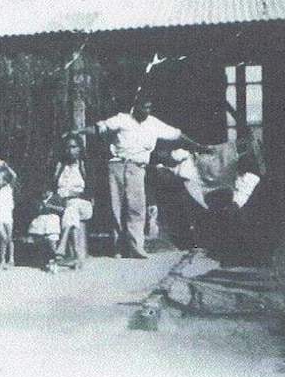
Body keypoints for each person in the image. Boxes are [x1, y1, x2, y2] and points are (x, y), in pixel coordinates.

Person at [72, 94, 209, 259]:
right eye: (144, 107)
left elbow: (177, 135)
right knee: (116, 207)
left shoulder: (154, 123)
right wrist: (78, 131)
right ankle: (118, 247)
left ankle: (136, 248)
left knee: (136, 208)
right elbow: (98, 128)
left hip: (137, 168)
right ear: (135, 107)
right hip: (116, 165)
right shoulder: (122, 119)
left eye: (149, 107)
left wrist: (198, 146)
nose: (146, 110)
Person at [48, 134, 94, 269]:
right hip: (64, 205)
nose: (70, 151)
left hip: (83, 205)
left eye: (74, 147)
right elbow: (51, 187)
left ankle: (61, 247)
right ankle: (74, 257)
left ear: (80, 148)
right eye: (67, 147)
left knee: (72, 206)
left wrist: (74, 193)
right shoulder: (60, 166)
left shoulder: (85, 165)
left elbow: (91, 191)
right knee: (70, 210)